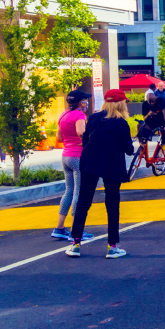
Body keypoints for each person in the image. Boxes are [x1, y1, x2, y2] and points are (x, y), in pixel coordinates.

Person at [66, 89, 134, 259]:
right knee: (112, 205)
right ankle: (112, 247)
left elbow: (86, 140)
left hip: (90, 163)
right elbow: (128, 150)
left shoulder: (94, 118)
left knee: (83, 202)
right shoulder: (121, 123)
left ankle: (75, 244)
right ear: (120, 103)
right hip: (112, 165)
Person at [51, 90, 93, 242]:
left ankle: (60, 228)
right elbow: (81, 132)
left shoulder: (63, 114)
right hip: (78, 156)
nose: (87, 103)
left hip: (66, 156)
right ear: (80, 102)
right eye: (85, 100)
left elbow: (59, 137)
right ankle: (77, 230)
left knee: (68, 191)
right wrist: (88, 143)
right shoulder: (80, 115)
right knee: (78, 193)